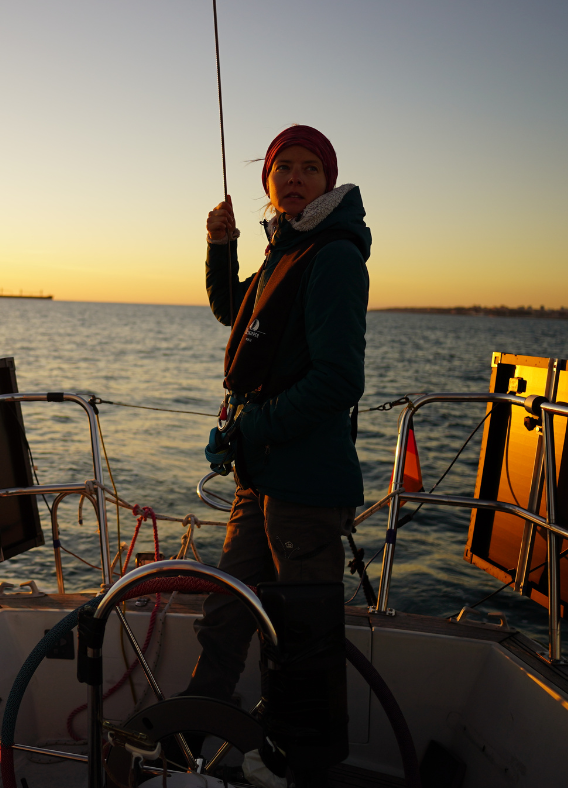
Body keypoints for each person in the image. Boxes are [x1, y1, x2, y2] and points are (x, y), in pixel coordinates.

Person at [187, 124, 371, 709]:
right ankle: (194, 731)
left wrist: (250, 428)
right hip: (260, 476)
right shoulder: (286, 249)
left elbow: (337, 380)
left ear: (327, 183)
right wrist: (221, 245)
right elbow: (235, 314)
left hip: (307, 486)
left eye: (308, 168)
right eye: (283, 168)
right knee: (225, 614)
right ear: (268, 181)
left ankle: (299, 763)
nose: (295, 178)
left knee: (300, 640)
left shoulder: (333, 256)